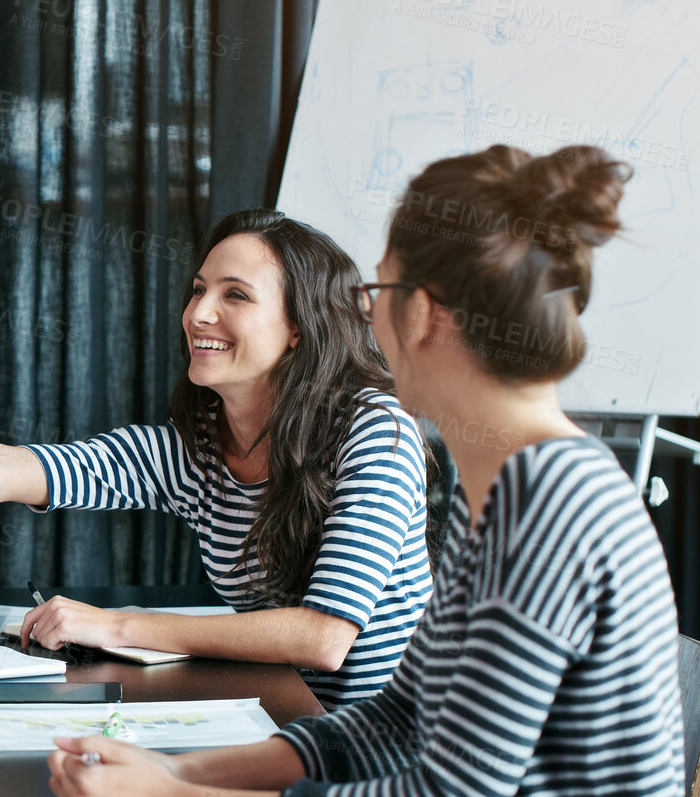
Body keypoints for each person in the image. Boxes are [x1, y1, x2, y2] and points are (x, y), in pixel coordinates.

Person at [44, 145, 683, 796]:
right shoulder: (495, 490)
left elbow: (449, 792)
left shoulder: (549, 504)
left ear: (424, 312)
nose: (362, 317)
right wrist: (177, 771)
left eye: (374, 292)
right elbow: (400, 722)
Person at [0, 210, 431, 709]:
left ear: (298, 332)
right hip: (280, 723)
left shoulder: (374, 433)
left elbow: (323, 637)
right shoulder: (190, 452)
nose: (198, 313)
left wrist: (112, 623)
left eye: (235, 296)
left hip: (388, 750)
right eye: (198, 289)